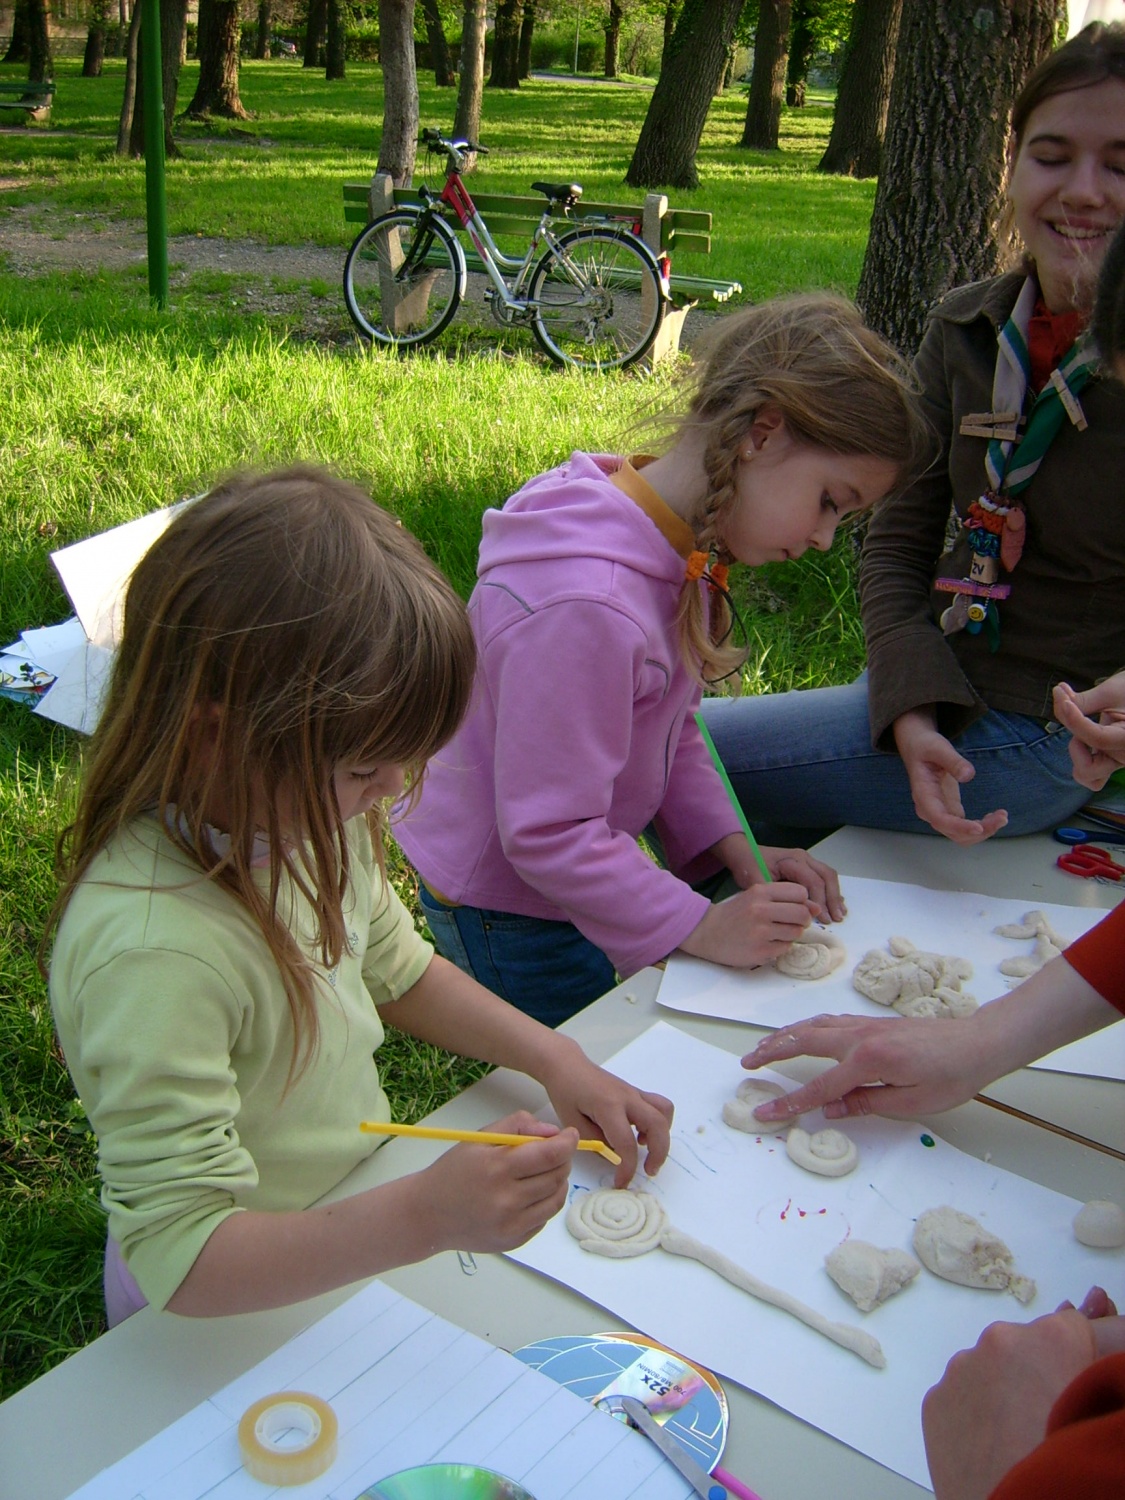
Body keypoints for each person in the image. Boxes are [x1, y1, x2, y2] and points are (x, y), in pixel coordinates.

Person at [45, 467, 673, 1327]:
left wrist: (554, 1058)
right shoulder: (155, 952)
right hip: (233, 1308)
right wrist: (423, 1215)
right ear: (215, 735)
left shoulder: (299, 815)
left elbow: (394, 967)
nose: (389, 790)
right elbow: (182, 1257)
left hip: (344, 1236)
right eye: (363, 767)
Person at [396, 295, 931, 1025]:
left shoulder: (668, 539)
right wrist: (699, 925)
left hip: (559, 880)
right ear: (762, 434)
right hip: (511, 909)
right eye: (830, 502)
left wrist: (736, 849)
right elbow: (548, 833)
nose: (823, 539)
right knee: (588, 1064)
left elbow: (670, 728)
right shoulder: (591, 605)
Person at [700, 23, 1125, 849]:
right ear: (1010, 166)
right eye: (1050, 157)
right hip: (936, 695)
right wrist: (906, 700)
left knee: (667, 752)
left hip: (1043, 737)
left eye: (1120, 166)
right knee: (715, 800)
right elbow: (897, 539)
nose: (1081, 192)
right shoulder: (966, 328)